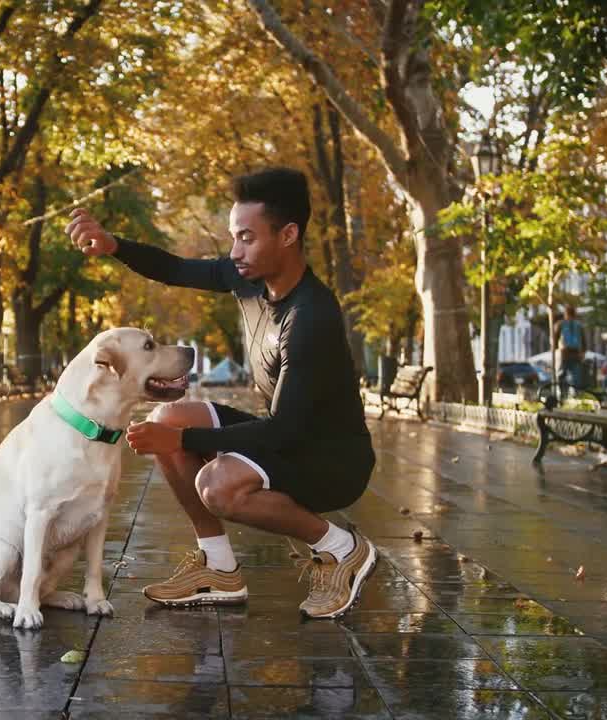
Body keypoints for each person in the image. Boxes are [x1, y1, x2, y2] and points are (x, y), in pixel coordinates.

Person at [66, 167, 377, 619]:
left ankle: (340, 548)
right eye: (234, 237)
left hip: (331, 461)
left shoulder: (311, 317)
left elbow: (285, 431)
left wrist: (183, 445)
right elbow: (173, 268)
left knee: (218, 485)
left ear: (288, 234)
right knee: (169, 417)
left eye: (247, 237)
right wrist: (114, 245)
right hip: (290, 438)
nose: (235, 251)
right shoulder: (247, 278)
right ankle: (219, 567)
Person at [557, 305, 585, 392]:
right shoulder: (562, 324)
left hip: (569, 353)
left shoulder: (577, 325)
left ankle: (566, 396)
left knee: (566, 376)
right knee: (571, 377)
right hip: (568, 353)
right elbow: (584, 341)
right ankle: (571, 395)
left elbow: (583, 341)